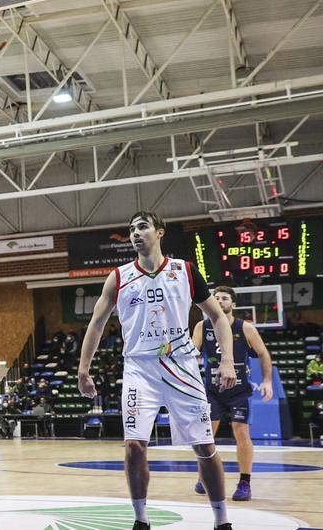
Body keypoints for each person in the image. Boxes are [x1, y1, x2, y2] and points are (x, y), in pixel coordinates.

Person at [77, 211, 237, 530]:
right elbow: (96, 324)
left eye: (142, 227)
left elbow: (218, 317)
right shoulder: (119, 276)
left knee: (205, 446)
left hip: (182, 367)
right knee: (135, 446)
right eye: (131, 228)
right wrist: (83, 368)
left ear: (159, 232)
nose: (135, 233)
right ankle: (141, 520)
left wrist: (227, 359)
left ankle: (222, 522)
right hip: (140, 369)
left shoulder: (185, 271)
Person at [191, 285, 274, 501]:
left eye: (224, 298)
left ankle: (244, 482)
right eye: (215, 297)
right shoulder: (202, 326)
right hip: (212, 391)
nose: (219, 301)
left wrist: (267, 381)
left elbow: (264, 354)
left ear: (233, 304)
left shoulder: (245, 328)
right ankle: (203, 477)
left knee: (242, 433)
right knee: (205, 437)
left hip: (239, 392)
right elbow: (191, 355)